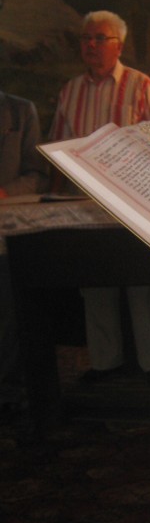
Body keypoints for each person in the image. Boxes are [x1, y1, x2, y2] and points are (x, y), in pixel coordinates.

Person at [50, 10, 150, 385]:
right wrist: (54, 197)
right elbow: (57, 147)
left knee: (144, 284)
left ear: (119, 45)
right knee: (95, 284)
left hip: (137, 201)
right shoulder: (70, 91)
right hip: (86, 204)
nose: (91, 44)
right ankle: (105, 365)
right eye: (86, 38)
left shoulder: (140, 85)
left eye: (100, 38)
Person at [0, 91, 49, 414]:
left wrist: (4, 192)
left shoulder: (19, 111)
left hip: (7, 233)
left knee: (8, 318)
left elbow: (37, 175)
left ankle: (9, 391)